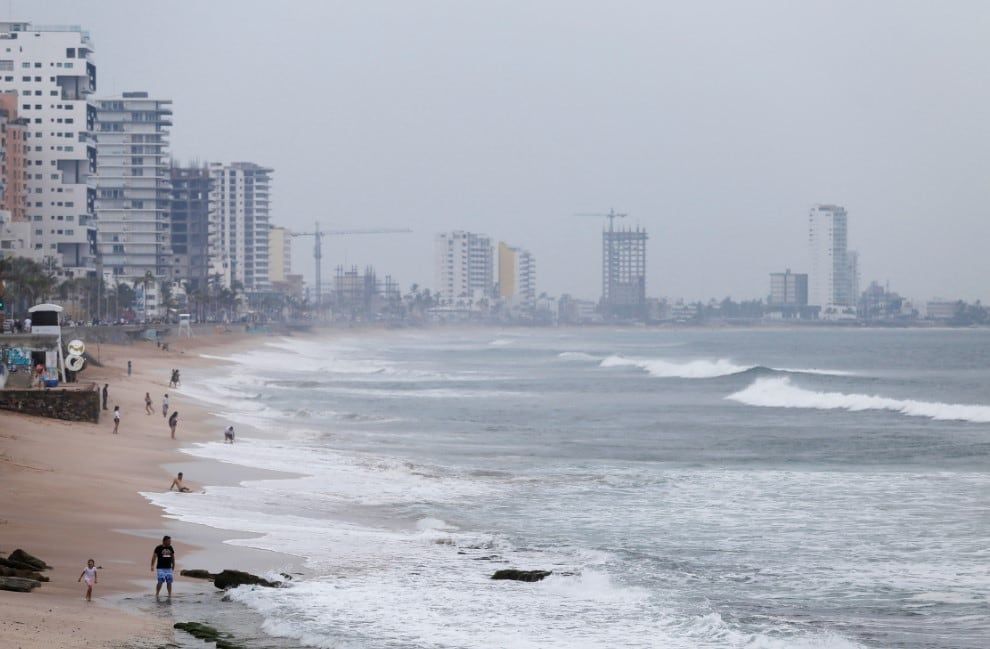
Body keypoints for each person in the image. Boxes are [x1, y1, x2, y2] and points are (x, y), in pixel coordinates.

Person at [150, 535, 176, 599]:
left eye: (170, 541)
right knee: (160, 581)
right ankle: (157, 594)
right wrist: (152, 565)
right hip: (160, 568)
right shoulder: (158, 548)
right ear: (164, 541)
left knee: (169, 581)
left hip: (168, 568)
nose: (170, 542)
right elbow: (154, 557)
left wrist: (173, 565)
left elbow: (173, 557)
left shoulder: (170, 547)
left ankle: (169, 595)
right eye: (168, 541)